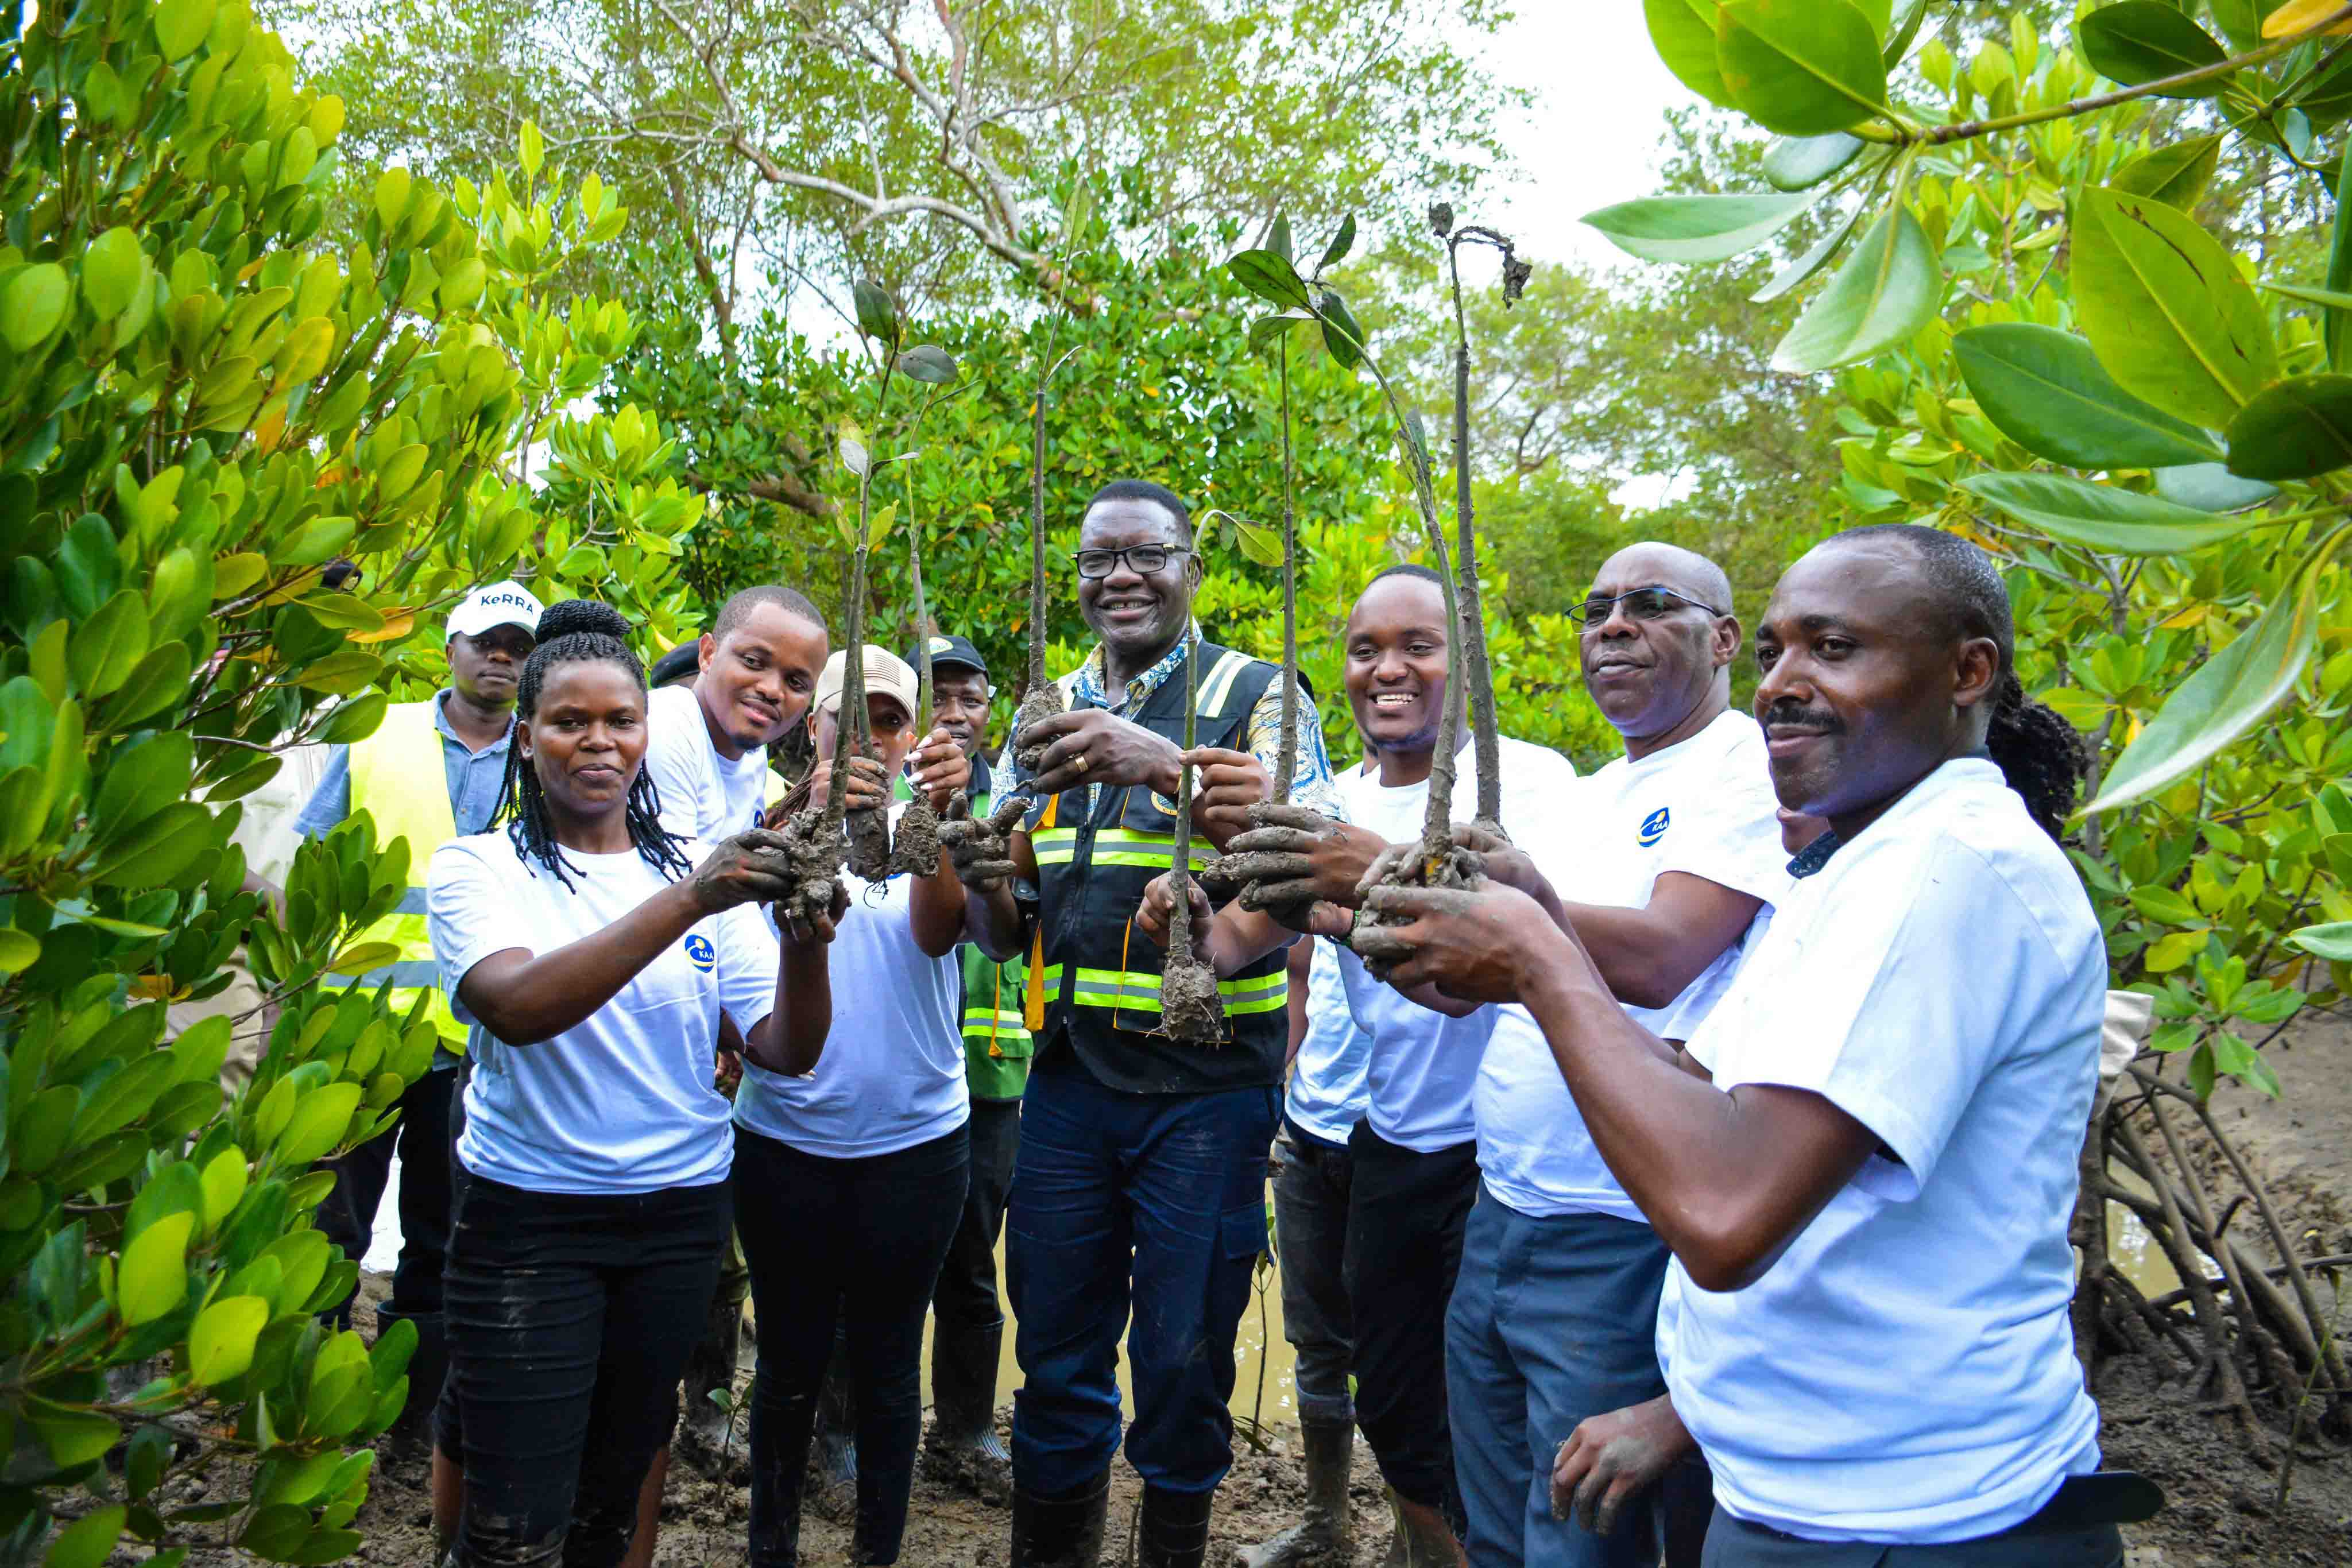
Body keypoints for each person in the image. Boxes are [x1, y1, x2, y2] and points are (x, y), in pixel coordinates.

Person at [1363, 526, 2127, 1566]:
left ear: (1968, 671)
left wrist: (1539, 961)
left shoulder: (1949, 874)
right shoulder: (1858, 864)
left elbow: (1726, 1216)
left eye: (1836, 649)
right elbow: (1700, 1080)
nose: (1786, 684)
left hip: (1908, 1518)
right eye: (1777, 653)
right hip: (1801, 1485)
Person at [1223, 544, 1784, 1567]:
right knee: (1493, 1509)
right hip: (1507, 1200)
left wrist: (1392, 875)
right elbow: (1461, 983)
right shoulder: (1599, 793)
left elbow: (1660, 960)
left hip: (1616, 1220)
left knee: (1585, 1531)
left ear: (1724, 639)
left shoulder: (1740, 765)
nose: (1613, 624)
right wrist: (1342, 908)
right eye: (1597, 607)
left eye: (1650, 605)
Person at [944, 478, 1339, 1568]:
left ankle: (1170, 1541)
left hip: (1207, 1092)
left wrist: (1158, 762)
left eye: (1146, 555)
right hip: (1067, 1082)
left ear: (1191, 569)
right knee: (1059, 1352)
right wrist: (977, 872)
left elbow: (1319, 847)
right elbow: (1008, 917)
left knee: (1181, 1356)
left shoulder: (1258, 692)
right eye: (1097, 561)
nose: (1119, 577)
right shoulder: (1048, 699)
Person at [1166, 564, 1579, 1563]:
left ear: (1466, 661)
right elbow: (1246, 931)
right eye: (1364, 651)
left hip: (1493, 1156)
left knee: (1476, 1404)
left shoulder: (1529, 781)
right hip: (1376, 1133)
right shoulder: (1328, 797)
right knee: (1388, 1395)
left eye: (1418, 647)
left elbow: (1492, 964)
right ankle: (1391, 1539)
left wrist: (1353, 901)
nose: (1387, 669)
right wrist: (1189, 929)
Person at [425, 599, 836, 1568]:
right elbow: (518, 1006)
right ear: (528, 740)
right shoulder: (477, 869)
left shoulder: (704, 869)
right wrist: (693, 896)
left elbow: (784, 1050)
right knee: (514, 1519)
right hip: (529, 1220)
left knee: (620, 1488)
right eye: (570, 723)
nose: (598, 743)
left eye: (620, 722)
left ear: (648, 736)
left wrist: (806, 950)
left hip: (677, 1217)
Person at [731, 644, 986, 1566]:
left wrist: (940, 819)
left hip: (916, 1148)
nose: (873, 738)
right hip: (786, 1142)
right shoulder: (772, 815)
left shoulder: (932, 819)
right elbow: (732, 885)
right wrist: (808, 807)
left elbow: (936, 932)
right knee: (789, 1364)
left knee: (887, 1368)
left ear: (911, 729)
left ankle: (877, 1553)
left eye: (890, 719)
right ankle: (772, 1550)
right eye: (853, 720)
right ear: (815, 727)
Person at [296, 578, 543, 1437]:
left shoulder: (545, 756)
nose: (501, 658)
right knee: (333, 1230)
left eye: (518, 646)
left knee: (442, 1243)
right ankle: (312, 1411)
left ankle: (410, 1423)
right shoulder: (377, 733)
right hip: (357, 1034)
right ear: (451, 646)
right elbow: (310, 868)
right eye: (487, 641)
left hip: (474, 1048)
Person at [639, 585, 831, 1487]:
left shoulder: (746, 773)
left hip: (674, 1125)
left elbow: (781, 1043)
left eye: (798, 680)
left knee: (634, 1409)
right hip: (576, 1120)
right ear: (708, 650)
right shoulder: (667, 724)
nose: (773, 689)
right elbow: (698, 890)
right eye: (755, 662)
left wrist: (803, 944)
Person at [904, 634, 1032, 1498]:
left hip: (991, 1075)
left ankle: (963, 1431)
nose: (954, 714)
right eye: (936, 697)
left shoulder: (1014, 803)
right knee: (872, 1260)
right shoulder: (879, 795)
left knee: (971, 1258)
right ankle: (850, 1427)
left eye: (971, 700)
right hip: (899, 1073)